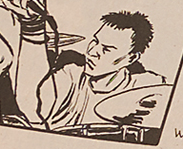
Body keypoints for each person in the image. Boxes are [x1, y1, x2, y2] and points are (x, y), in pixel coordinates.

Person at [36, 11, 170, 137]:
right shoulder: (69, 75)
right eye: (95, 41)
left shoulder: (147, 86)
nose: (92, 51)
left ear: (131, 58)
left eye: (106, 49)